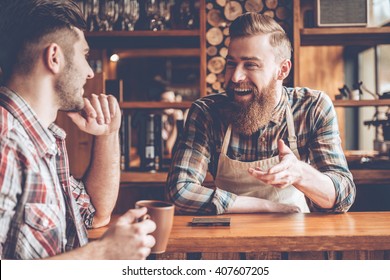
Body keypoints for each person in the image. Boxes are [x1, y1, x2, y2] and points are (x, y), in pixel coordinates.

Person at [0, 0, 155, 259]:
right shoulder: (6, 143)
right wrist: (103, 254)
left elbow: (94, 214)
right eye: (84, 55)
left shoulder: (41, 139)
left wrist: (108, 134)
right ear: (54, 57)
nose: (90, 72)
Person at [166, 12, 356, 215]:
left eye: (251, 65)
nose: (236, 76)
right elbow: (180, 190)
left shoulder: (313, 107)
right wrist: (265, 207)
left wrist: (300, 173)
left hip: (295, 235)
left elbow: (343, 196)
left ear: (282, 70)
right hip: (226, 237)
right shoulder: (206, 113)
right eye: (232, 63)